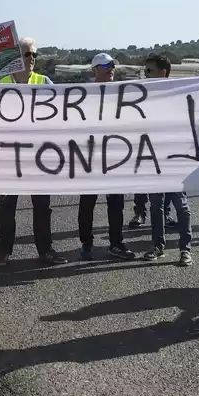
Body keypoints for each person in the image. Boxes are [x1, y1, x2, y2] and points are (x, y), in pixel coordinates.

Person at [0, 38, 67, 266]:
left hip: (39, 157)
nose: (32, 58)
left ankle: (45, 250)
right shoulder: (1, 84)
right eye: (27, 54)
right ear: (15, 58)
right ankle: (3, 250)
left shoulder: (44, 81)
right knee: (6, 206)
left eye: (34, 54)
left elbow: (63, 110)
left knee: (42, 206)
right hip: (10, 157)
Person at [76, 54, 136, 261]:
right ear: (94, 70)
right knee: (87, 203)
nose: (111, 69)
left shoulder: (120, 93)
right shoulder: (84, 94)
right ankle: (86, 243)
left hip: (114, 158)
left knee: (116, 203)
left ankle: (116, 243)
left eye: (112, 66)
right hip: (90, 158)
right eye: (105, 66)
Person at [136, 54, 193, 265]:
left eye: (148, 71)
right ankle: (158, 246)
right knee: (156, 206)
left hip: (176, 158)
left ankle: (185, 249)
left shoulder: (177, 94)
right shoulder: (143, 96)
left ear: (162, 72)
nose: (145, 75)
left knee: (181, 205)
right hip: (152, 157)